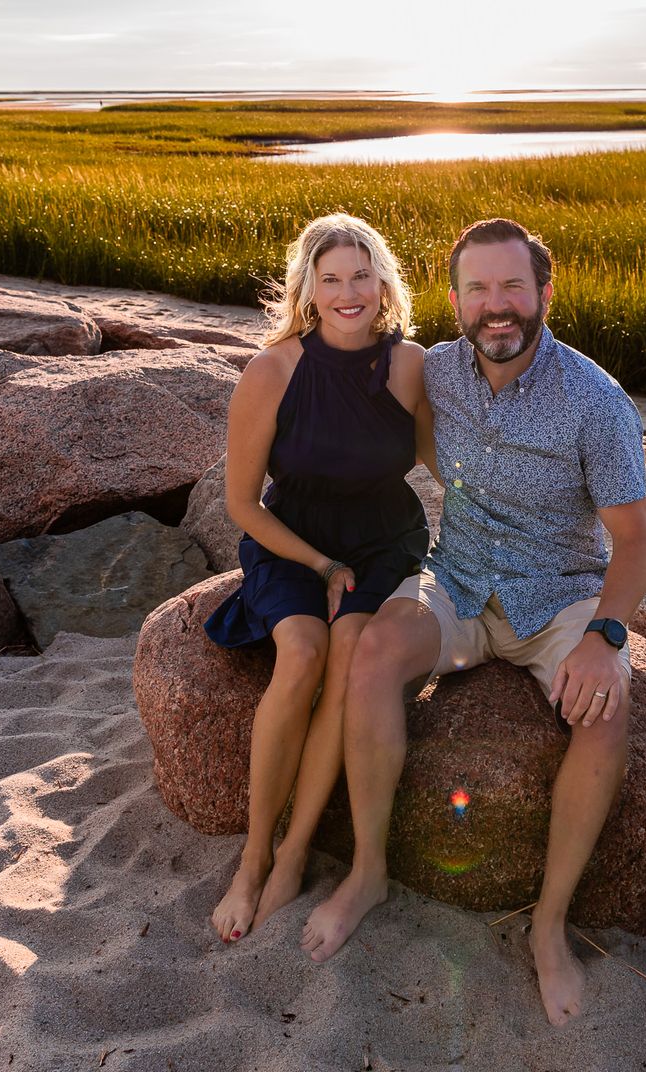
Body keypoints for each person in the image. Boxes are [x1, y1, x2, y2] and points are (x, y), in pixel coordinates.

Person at [300, 217, 646, 1027]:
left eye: (513, 288)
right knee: (374, 654)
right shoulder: (437, 374)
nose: (498, 308)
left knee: (606, 713)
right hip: (456, 578)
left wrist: (605, 637)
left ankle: (551, 925)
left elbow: (634, 541)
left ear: (544, 294)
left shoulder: (595, 400)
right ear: (455, 298)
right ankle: (366, 874)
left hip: (557, 591)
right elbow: (358, 398)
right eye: (479, 290)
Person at [202, 213, 429, 944]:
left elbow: (444, 464)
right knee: (300, 654)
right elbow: (240, 503)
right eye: (331, 278)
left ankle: (296, 853)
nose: (348, 291)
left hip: (382, 540)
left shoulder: (409, 366)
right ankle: (254, 855)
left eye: (361, 275)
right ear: (308, 288)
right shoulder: (272, 371)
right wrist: (321, 564)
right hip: (293, 540)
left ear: (383, 282)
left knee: (351, 656)